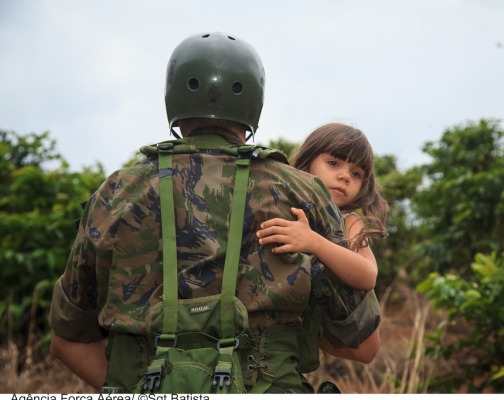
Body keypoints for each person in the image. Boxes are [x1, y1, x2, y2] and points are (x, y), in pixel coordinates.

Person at [48, 32, 381, 393]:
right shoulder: (303, 192)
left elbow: (67, 340)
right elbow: (362, 343)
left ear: (172, 97)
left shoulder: (114, 192)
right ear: (255, 102)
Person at [257, 122, 387, 360]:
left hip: (346, 334)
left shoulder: (349, 222)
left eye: (356, 173)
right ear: (307, 162)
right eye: (334, 163)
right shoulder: (282, 208)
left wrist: (313, 242)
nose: (344, 176)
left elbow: (368, 275)